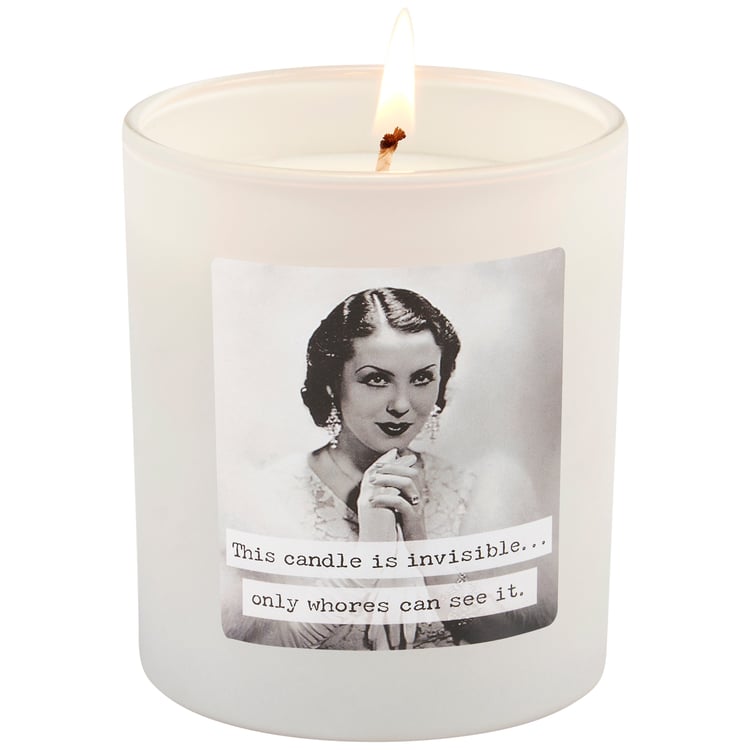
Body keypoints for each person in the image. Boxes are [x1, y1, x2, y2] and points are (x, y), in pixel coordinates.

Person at [221, 287, 477, 649]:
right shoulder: (268, 497)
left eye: (421, 378)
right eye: (376, 379)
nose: (401, 405)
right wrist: (370, 559)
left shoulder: (465, 489)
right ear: (332, 383)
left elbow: (488, 635)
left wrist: (419, 548)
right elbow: (264, 648)